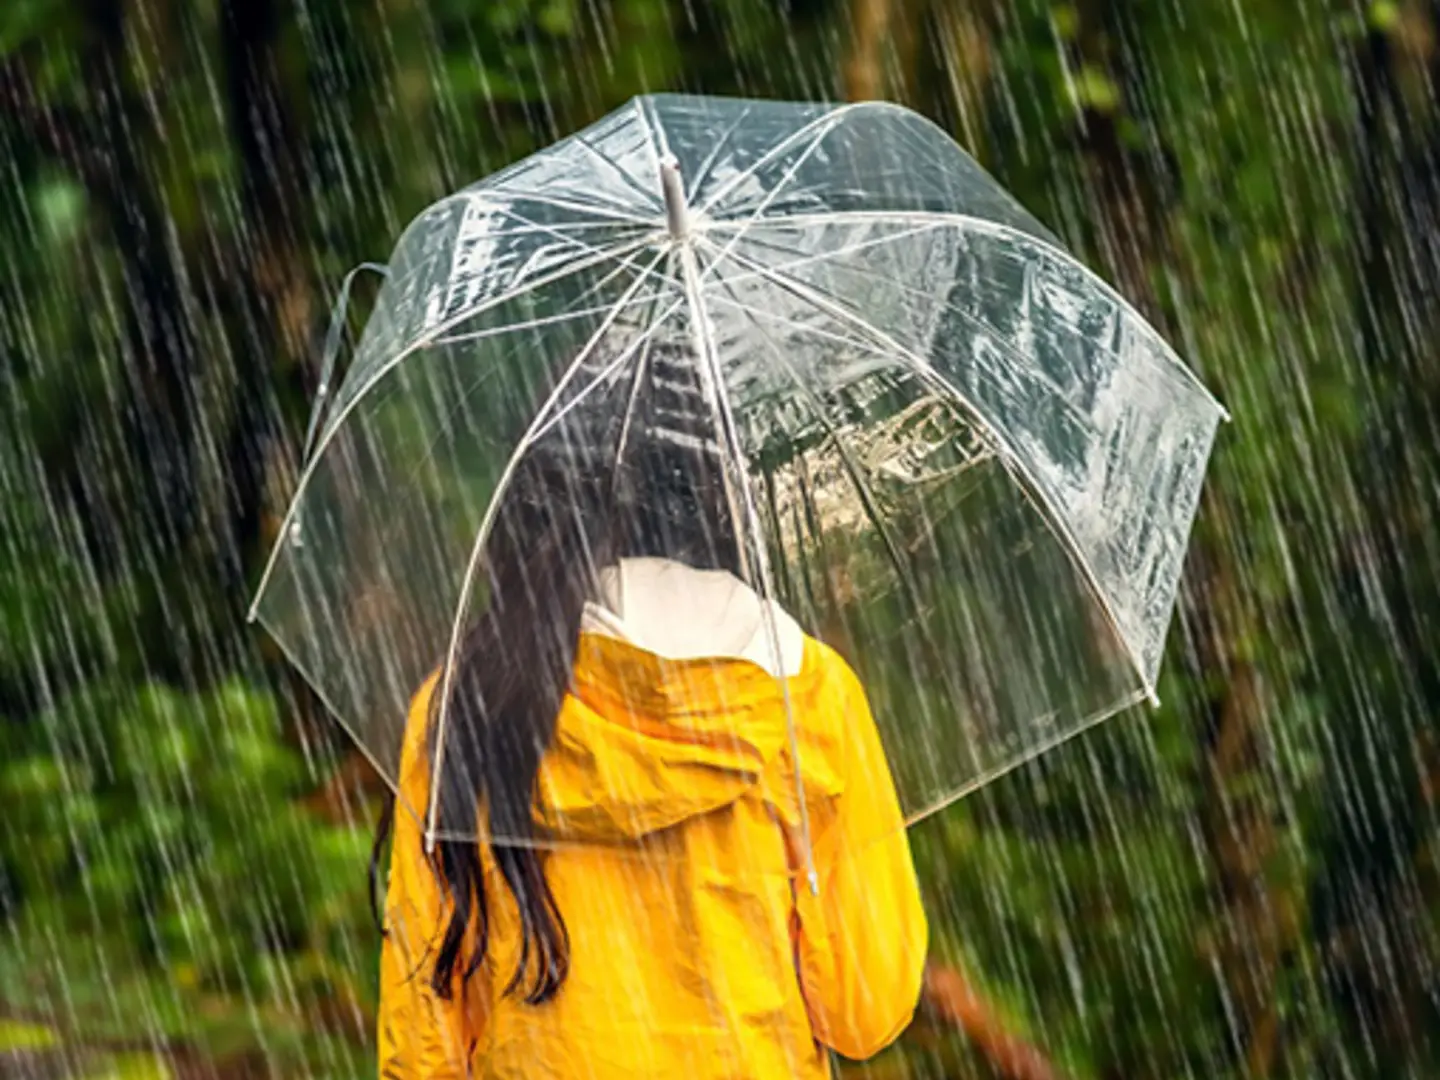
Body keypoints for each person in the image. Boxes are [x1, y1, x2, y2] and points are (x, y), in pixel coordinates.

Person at [375, 350, 927, 1078]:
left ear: (540, 491)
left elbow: (424, 1042)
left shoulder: (468, 700)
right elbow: (865, 1010)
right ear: (719, 491)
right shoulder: (809, 698)